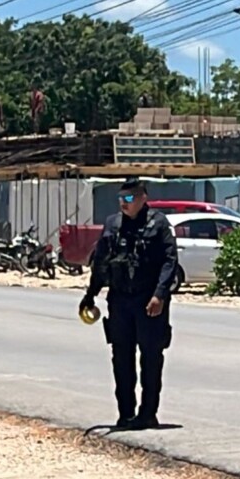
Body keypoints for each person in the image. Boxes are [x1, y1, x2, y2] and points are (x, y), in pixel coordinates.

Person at [80, 178, 179, 429]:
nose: (123, 204)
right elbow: (101, 262)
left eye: (128, 199)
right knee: (121, 358)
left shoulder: (159, 224)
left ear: (143, 198)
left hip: (149, 301)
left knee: (151, 358)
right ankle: (126, 413)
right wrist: (90, 294)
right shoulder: (113, 224)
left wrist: (159, 294)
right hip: (120, 300)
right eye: (120, 199)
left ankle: (148, 414)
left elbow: (170, 262)